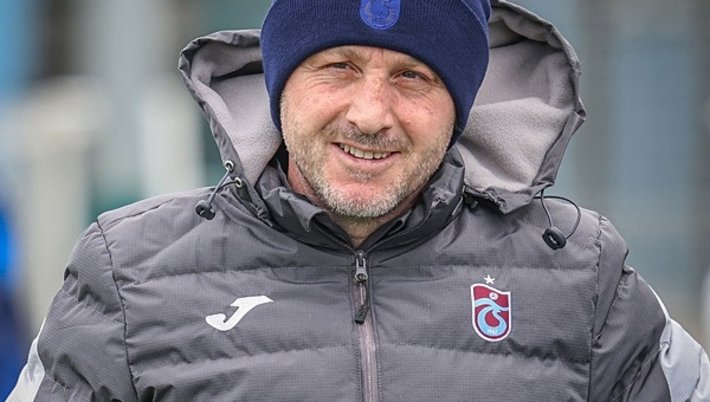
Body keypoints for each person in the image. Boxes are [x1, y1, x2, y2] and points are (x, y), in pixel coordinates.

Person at [8, 0, 710, 401]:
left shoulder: (582, 277)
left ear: (461, 106)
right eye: (337, 67)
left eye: (412, 77)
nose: (371, 115)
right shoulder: (130, 273)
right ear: (280, 85)